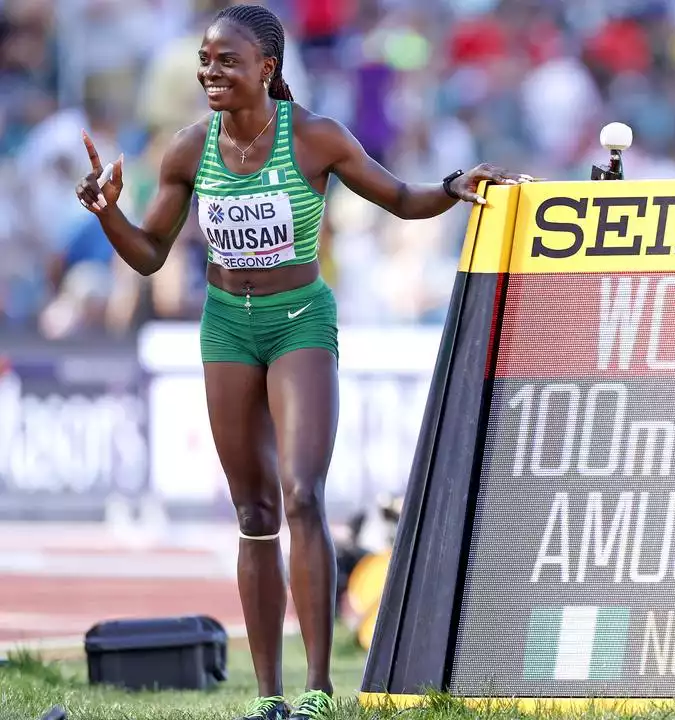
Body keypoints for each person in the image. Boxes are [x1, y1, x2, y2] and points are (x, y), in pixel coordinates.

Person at [73, 4, 529, 719]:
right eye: (205, 58)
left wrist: (450, 190)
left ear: (267, 69)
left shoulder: (315, 138)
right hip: (226, 327)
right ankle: (269, 698)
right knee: (254, 512)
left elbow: (400, 198)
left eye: (227, 60)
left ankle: (317, 688)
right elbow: (150, 253)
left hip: (298, 323)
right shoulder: (188, 150)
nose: (210, 71)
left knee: (302, 494)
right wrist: (107, 214)